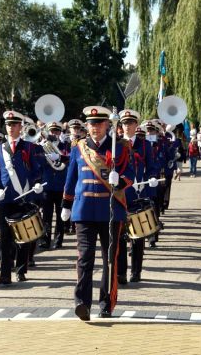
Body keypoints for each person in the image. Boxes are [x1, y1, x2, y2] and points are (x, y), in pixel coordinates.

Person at [61, 106, 135, 321]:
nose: (95, 128)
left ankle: (106, 304)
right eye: (91, 124)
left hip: (110, 210)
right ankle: (82, 303)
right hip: (83, 211)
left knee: (109, 260)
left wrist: (120, 180)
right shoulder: (79, 147)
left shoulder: (120, 148)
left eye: (99, 124)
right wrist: (66, 204)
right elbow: (71, 178)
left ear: (107, 125)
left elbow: (130, 172)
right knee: (85, 259)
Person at [0, 110, 42, 284]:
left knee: (24, 236)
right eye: (8, 125)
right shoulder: (0, 148)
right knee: (5, 238)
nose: (10, 128)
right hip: (6, 199)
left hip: (24, 196)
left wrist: (36, 183)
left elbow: (36, 170)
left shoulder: (28, 147)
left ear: (20, 127)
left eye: (13, 125)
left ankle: (21, 270)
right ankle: (5, 274)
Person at [116, 110, 158, 284]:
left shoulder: (144, 145)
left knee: (138, 236)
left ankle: (136, 271)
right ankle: (121, 273)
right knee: (119, 235)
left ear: (136, 125)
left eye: (130, 123)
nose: (127, 126)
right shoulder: (116, 144)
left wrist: (152, 178)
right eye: (124, 123)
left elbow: (152, 167)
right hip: (119, 194)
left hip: (138, 193)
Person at [39, 121, 71, 249]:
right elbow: (38, 162)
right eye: (52, 131)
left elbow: (69, 159)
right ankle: (45, 240)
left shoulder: (66, 146)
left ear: (60, 133)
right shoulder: (42, 146)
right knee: (46, 215)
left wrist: (58, 156)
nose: (54, 133)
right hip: (47, 185)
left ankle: (58, 240)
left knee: (60, 215)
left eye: (57, 131)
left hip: (61, 185)